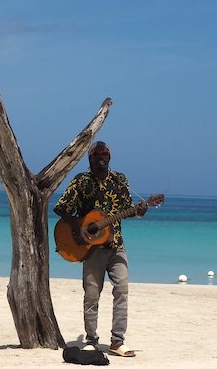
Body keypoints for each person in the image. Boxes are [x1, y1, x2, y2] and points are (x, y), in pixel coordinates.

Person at [54, 141, 147, 357]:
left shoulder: (119, 180)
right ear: (90, 158)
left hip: (116, 246)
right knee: (92, 295)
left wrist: (139, 211)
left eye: (105, 154)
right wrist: (80, 227)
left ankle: (117, 341)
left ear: (110, 157)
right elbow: (61, 208)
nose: (101, 158)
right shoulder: (82, 181)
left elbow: (127, 210)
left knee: (122, 289)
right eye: (97, 155)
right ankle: (91, 341)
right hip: (91, 248)